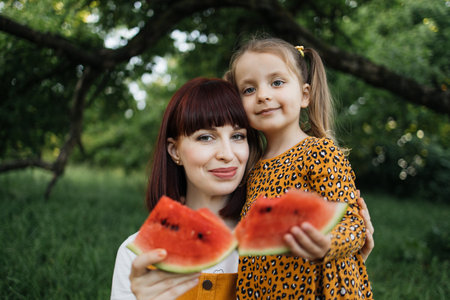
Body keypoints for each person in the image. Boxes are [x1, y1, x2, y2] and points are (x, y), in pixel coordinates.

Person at [225, 37, 373, 299]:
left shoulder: (319, 152)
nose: (263, 95)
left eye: (277, 82)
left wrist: (328, 243)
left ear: (305, 95)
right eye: (248, 90)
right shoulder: (252, 168)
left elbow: (354, 223)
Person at [110, 77, 263, 300]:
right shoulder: (134, 254)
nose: (228, 154)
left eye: (238, 136)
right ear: (175, 151)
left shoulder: (273, 247)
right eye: (206, 137)